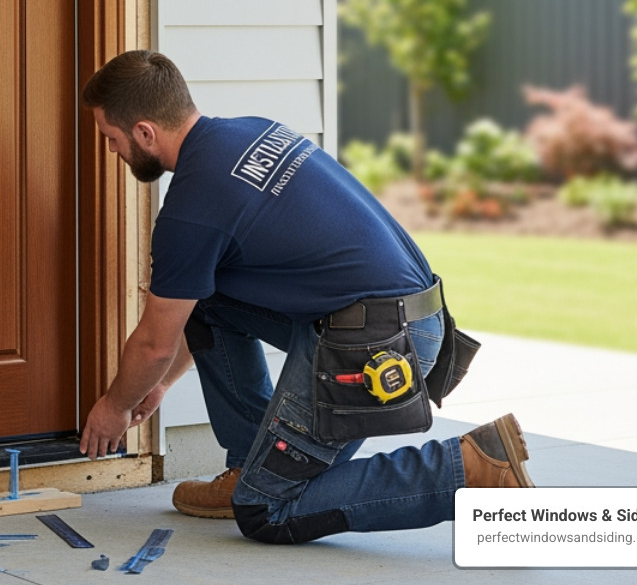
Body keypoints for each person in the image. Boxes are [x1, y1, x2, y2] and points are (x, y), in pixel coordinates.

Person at [77, 50, 534, 544]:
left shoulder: (191, 209)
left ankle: (467, 469)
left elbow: (153, 345)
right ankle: (252, 464)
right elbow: (189, 317)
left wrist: (115, 406)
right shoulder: (250, 131)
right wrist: (160, 385)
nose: (111, 150)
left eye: (111, 137)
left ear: (145, 132)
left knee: (266, 511)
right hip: (403, 317)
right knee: (204, 299)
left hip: (375, 345)